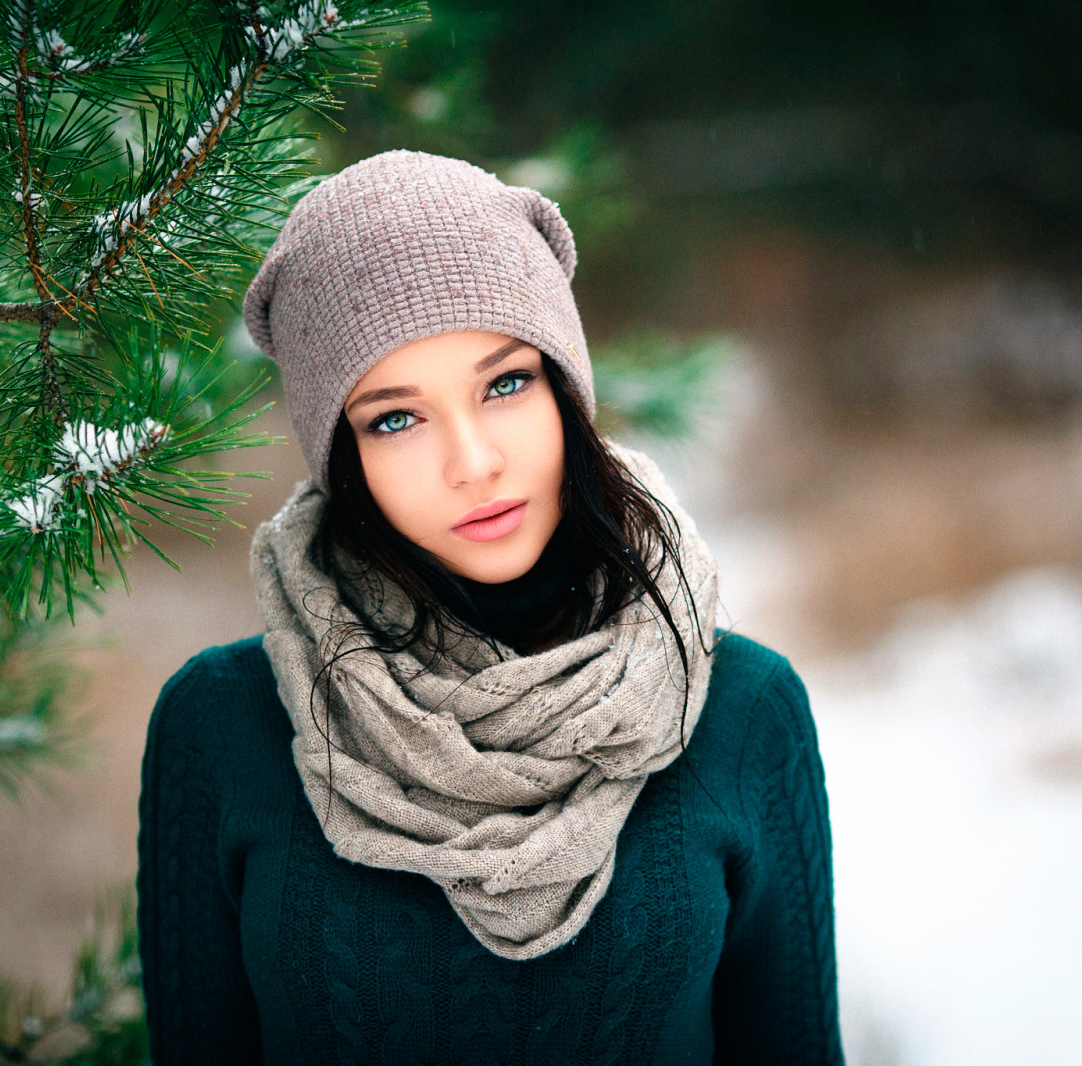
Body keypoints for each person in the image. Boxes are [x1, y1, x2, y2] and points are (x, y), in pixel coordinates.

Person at [137, 150, 843, 1064]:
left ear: (564, 391)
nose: (472, 462)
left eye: (505, 383)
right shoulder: (224, 725)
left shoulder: (744, 712)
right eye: (396, 418)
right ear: (341, 458)